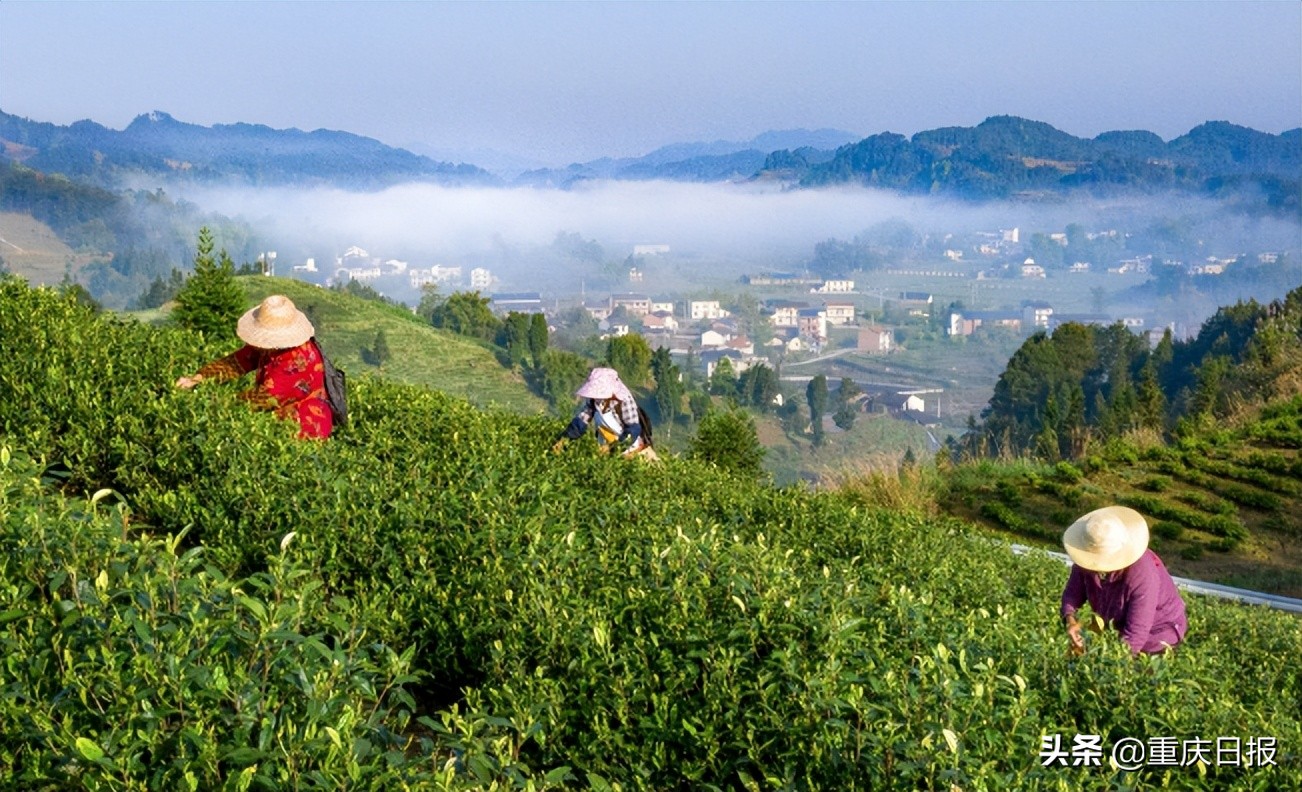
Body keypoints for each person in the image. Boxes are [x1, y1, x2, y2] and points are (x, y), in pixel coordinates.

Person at [175, 294, 333, 439]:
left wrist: (218, 404)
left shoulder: (297, 360)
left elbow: (263, 398)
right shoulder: (270, 347)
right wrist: (198, 378)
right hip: (277, 422)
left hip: (303, 430)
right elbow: (239, 361)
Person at [1060, 505, 1187, 657]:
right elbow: (1072, 594)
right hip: (1117, 626)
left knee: (1140, 675)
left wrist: (1111, 668)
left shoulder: (1142, 574)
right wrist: (1071, 620)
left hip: (1157, 636)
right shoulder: (1087, 560)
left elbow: (1136, 633)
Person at [553, 367, 656, 459]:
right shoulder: (593, 400)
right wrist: (564, 440)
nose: (596, 396)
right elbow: (581, 422)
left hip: (632, 450)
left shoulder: (624, 401)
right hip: (606, 448)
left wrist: (613, 447)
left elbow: (633, 430)